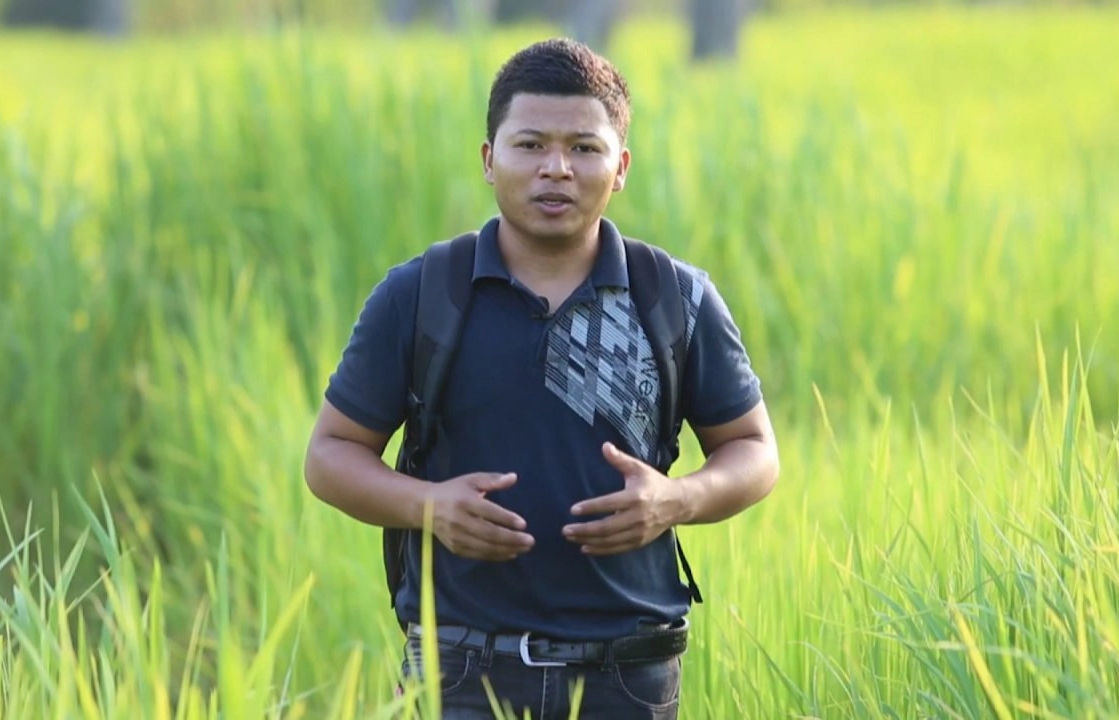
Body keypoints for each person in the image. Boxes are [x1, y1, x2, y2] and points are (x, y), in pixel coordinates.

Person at [304, 37, 779, 720]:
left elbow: (755, 451)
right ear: (489, 160)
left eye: (584, 149)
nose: (556, 168)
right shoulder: (423, 294)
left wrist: (677, 500)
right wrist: (428, 505)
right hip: (459, 670)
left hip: (631, 673)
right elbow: (329, 455)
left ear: (620, 167)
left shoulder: (672, 296)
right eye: (530, 145)